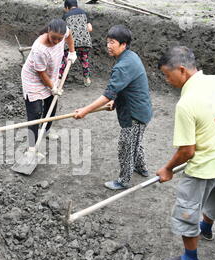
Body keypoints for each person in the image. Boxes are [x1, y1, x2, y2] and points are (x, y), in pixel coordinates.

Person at [156, 46, 215, 260]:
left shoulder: (186, 104)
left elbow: (187, 151)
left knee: (187, 212)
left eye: (168, 75)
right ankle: (206, 228)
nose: (167, 80)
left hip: (203, 169)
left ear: (183, 70)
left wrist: (167, 169)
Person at [74, 25, 152, 190]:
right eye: (107, 42)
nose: (108, 46)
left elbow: (108, 94)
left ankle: (124, 180)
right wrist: (114, 101)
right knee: (135, 142)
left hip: (135, 113)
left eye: (113, 42)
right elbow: (124, 87)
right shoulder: (130, 57)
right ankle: (142, 168)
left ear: (123, 44)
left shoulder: (123, 65)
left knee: (125, 145)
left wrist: (85, 111)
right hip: (141, 109)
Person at [21, 18, 76, 156]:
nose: (57, 42)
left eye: (59, 39)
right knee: (35, 113)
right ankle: (32, 148)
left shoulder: (64, 33)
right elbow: (41, 73)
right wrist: (53, 88)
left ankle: (45, 131)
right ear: (48, 32)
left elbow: (69, 36)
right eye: (53, 38)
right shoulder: (39, 49)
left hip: (50, 75)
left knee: (52, 105)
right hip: (33, 79)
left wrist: (71, 51)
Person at [59, 0, 93, 87]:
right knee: (84, 60)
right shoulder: (84, 13)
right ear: (76, 6)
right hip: (85, 42)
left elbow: (64, 31)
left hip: (71, 43)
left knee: (64, 60)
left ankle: (60, 79)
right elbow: (90, 28)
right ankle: (87, 79)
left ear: (67, 7)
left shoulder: (65, 16)